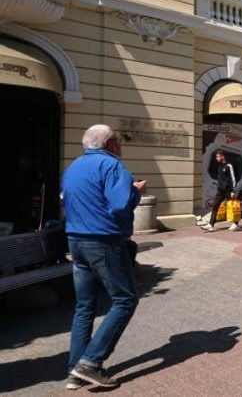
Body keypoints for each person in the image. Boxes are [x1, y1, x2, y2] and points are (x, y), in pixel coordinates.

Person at [61, 124, 145, 389]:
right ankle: (90, 362)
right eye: (117, 139)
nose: (120, 144)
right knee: (125, 300)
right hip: (103, 240)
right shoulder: (112, 165)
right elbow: (119, 205)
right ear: (109, 143)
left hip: (76, 240)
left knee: (84, 306)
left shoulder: (73, 166)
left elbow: (68, 198)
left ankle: (75, 369)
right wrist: (135, 191)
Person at [201, 150, 240, 232]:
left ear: (223, 156)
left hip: (229, 190)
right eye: (216, 157)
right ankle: (211, 224)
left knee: (231, 206)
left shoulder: (229, 166)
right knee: (215, 205)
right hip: (220, 190)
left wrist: (233, 191)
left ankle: (235, 224)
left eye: (218, 156)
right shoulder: (219, 166)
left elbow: (233, 179)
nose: (217, 158)